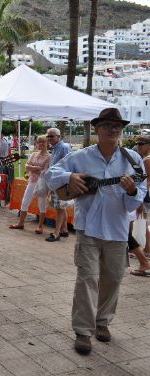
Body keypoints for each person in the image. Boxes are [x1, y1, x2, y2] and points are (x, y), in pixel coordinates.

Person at [45, 108, 146, 356]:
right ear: (97, 129)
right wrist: (70, 177)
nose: (113, 129)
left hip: (118, 230)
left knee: (113, 279)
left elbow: (136, 200)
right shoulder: (82, 156)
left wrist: (133, 191)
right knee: (87, 278)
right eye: (108, 125)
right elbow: (51, 174)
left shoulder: (133, 159)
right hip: (88, 228)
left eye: (117, 126)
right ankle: (82, 330)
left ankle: (102, 322)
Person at [8, 135, 51, 234]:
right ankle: (21, 223)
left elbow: (45, 171)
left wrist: (33, 168)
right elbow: (26, 167)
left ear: (47, 143)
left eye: (43, 142)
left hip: (42, 183)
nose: (40, 144)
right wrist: (37, 168)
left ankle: (40, 226)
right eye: (39, 142)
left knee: (42, 204)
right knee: (25, 202)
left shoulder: (49, 157)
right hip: (32, 181)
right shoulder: (33, 154)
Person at [45, 127, 72, 242]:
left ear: (58, 137)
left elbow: (69, 164)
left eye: (52, 136)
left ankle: (56, 233)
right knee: (60, 207)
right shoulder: (55, 148)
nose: (49, 138)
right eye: (48, 136)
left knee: (60, 208)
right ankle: (64, 230)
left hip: (61, 182)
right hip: (55, 181)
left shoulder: (64, 147)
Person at [128, 135, 150, 277]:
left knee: (142, 224)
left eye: (141, 143)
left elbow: (145, 182)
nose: (138, 146)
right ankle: (146, 251)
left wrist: (139, 200)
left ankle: (145, 257)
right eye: (137, 143)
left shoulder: (146, 160)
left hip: (145, 195)